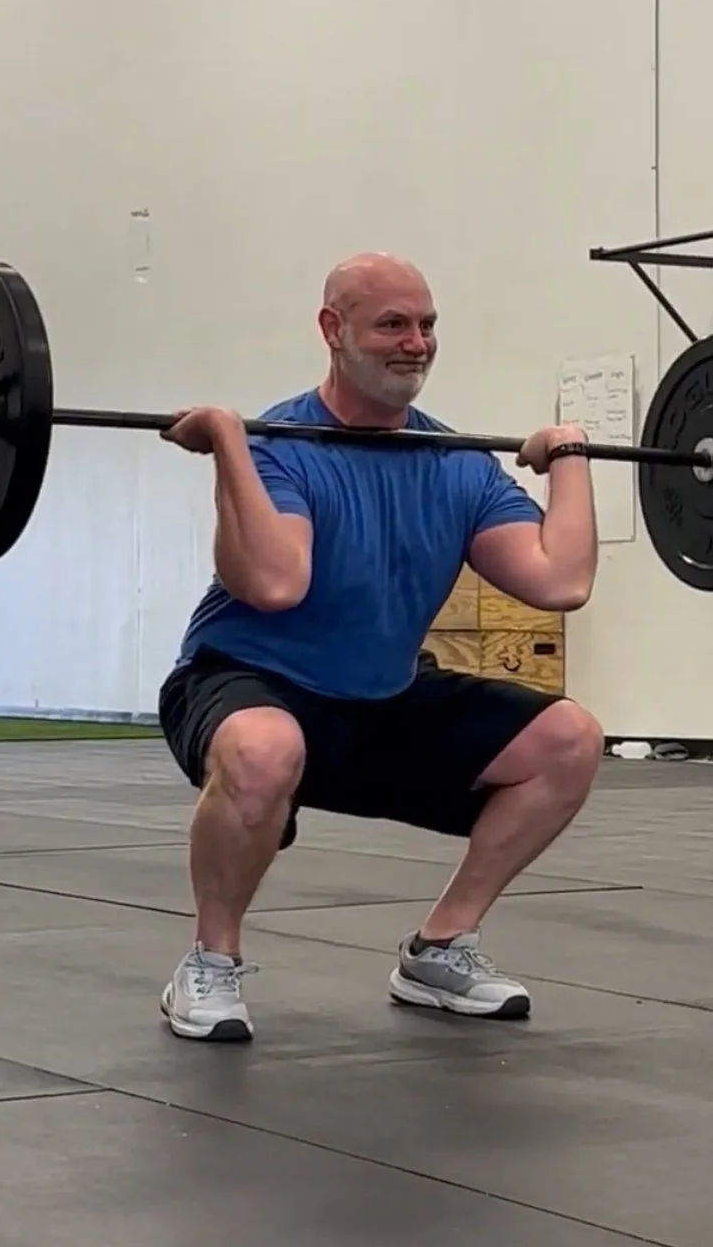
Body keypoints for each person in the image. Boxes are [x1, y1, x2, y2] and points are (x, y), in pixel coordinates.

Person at [156, 253, 604, 1041]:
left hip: (378, 699)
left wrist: (570, 457)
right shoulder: (280, 444)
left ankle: (438, 947)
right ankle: (210, 961)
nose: (416, 343)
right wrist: (229, 443)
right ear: (333, 330)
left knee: (569, 739)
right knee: (263, 747)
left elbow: (559, 579)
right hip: (248, 680)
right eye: (393, 324)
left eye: (427, 325)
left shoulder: (455, 463)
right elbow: (272, 581)